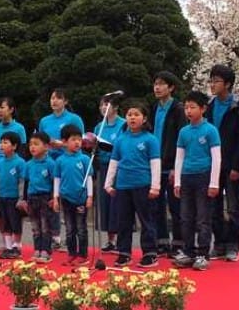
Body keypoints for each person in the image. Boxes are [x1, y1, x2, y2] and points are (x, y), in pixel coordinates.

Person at [104, 102, 160, 268]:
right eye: (129, 114)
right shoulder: (121, 139)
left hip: (143, 184)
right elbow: (114, 162)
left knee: (146, 220)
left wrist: (155, 186)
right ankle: (124, 253)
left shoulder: (150, 139)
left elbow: (155, 163)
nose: (132, 117)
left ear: (144, 119)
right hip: (122, 186)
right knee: (124, 221)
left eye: (136, 114)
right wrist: (108, 184)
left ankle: (150, 253)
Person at [205, 64, 239, 262]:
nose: (212, 84)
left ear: (228, 84)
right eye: (211, 80)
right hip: (212, 164)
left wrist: (237, 166)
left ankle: (233, 245)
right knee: (213, 206)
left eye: (217, 81)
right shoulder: (209, 106)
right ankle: (219, 244)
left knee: (233, 207)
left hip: (231, 164)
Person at [173, 91, 222, 271]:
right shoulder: (183, 132)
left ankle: (202, 253)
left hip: (204, 176)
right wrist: (177, 181)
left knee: (203, 218)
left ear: (203, 109)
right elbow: (179, 157)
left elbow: (216, 157)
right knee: (186, 217)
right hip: (187, 176)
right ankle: (188, 251)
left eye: (193, 107)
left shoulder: (210, 130)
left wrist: (214, 183)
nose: (189, 111)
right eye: (186, 107)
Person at [39, 88, 85, 250]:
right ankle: (54, 236)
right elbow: (41, 140)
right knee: (51, 199)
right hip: (50, 162)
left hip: (68, 162)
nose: (54, 101)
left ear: (65, 101)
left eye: (58, 98)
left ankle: (70, 237)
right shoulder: (45, 121)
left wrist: (62, 144)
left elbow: (81, 140)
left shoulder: (74, 119)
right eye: (52, 98)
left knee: (67, 199)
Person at [150, 71, 188, 258]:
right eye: (155, 84)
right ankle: (162, 241)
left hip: (171, 163)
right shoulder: (154, 107)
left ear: (171, 87)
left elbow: (181, 137)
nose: (157, 87)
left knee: (176, 206)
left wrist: (176, 166)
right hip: (155, 163)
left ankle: (179, 243)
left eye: (161, 84)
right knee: (156, 205)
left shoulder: (178, 109)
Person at [0, 97, 27, 251]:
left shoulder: (19, 128)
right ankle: (5, 239)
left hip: (13, 171)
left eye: (3, 107)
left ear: (11, 109)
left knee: (14, 208)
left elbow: (22, 151)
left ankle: (16, 241)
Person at [53, 124, 93, 266]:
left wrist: (90, 196)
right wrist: (56, 198)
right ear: (64, 142)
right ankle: (71, 253)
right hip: (66, 198)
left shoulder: (85, 160)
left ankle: (83, 255)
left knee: (81, 228)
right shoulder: (60, 161)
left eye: (79, 140)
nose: (77, 142)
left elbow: (88, 178)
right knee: (70, 229)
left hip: (81, 198)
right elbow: (57, 179)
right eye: (73, 139)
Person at [93, 95, 125, 254]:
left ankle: (120, 239)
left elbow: (122, 145)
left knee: (117, 202)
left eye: (107, 104)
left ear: (115, 107)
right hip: (102, 166)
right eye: (101, 105)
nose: (104, 108)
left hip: (118, 167)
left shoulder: (123, 124)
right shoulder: (99, 126)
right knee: (104, 202)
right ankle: (110, 239)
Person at [20, 132, 56, 263]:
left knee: (45, 225)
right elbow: (26, 182)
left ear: (46, 147)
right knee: (35, 226)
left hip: (45, 197)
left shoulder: (51, 163)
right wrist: (24, 199)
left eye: (36, 144)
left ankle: (46, 250)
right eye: (30, 144)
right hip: (32, 197)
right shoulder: (28, 164)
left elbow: (54, 182)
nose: (32, 147)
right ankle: (37, 249)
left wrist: (54, 198)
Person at [0, 131, 26, 259]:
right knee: (6, 223)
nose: (1, 145)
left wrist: (21, 199)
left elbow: (22, 182)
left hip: (14, 199)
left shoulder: (20, 162)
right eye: (1, 142)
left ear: (14, 146)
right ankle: (7, 247)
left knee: (15, 223)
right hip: (3, 197)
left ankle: (16, 246)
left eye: (5, 142)